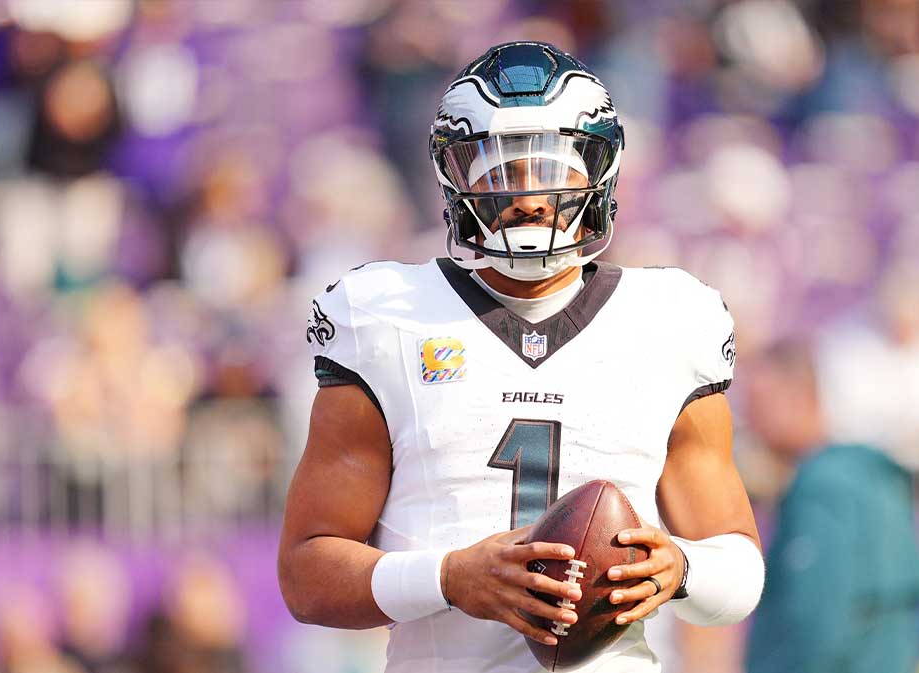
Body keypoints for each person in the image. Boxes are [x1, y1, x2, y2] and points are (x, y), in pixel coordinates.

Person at [278, 41, 765, 673]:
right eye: (502, 170)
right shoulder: (386, 316)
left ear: (600, 170)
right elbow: (307, 575)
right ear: (455, 178)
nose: (529, 197)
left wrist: (682, 566)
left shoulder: (671, 320)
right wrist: (450, 578)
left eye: (552, 169)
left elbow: (740, 572)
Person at [743, 340, 919, 673]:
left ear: (799, 397)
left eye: (758, 404)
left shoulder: (822, 486)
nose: (748, 421)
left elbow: (817, 620)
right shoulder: (873, 476)